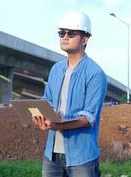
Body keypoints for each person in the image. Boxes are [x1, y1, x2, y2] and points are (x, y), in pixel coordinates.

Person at [32, 11, 107, 177]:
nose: (64, 37)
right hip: (52, 154)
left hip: (81, 156)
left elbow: (88, 118)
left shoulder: (95, 74)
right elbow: (47, 100)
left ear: (85, 39)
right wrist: (40, 115)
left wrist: (59, 125)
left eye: (71, 33)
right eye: (61, 33)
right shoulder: (56, 69)